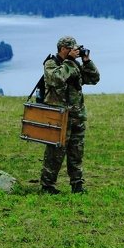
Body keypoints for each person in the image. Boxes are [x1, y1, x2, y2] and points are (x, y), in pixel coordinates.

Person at [39, 35, 100, 194]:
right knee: (55, 153)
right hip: (60, 117)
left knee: (76, 152)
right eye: (72, 49)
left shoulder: (75, 65)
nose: (76, 52)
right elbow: (56, 79)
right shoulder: (51, 64)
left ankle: (77, 185)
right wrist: (69, 62)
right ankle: (47, 186)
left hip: (77, 116)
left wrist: (86, 61)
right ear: (63, 49)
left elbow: (94, 78)